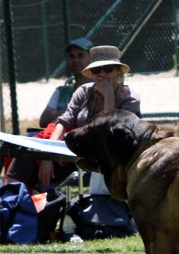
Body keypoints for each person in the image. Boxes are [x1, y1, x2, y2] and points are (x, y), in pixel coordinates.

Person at [5, 45, 141, 189]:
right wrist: (48, 157)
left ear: (118, 71)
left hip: (109, 158)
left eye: (107, 69)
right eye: (96, 70)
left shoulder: (130, 99)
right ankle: (12, 203)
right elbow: (64, 121)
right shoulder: (83, 92)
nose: (101, 74)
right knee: (25, 157)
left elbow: (109, 135)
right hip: (77, 153)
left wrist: (108, 96)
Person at [39, 37, 94, 128]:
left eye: (80, 55)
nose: (75, 60)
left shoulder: (101, 89)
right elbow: (44, 120)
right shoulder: (61, 92)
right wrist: (69, 112)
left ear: (91, 58)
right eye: (71, 56)